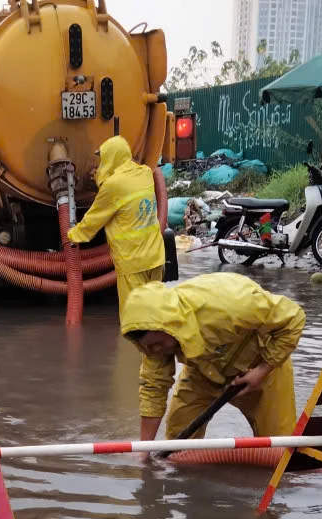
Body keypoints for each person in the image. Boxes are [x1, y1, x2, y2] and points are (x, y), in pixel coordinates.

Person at [119, 273, 305, 442]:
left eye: (157, 344)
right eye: (149, 347)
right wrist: (144, 451)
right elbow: (154, 389)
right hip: (202, 373)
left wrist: (262, 371)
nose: (155, 350)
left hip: (259, 369)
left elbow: (294, 319)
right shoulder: (153, 345)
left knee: (279, 451)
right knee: (178, 446)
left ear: (169, 325)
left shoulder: (233, 304)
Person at [66, 135, 165, 311]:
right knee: (154, 312)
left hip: (132, 263)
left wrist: (72, 235)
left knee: (134, 319)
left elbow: (93, 219)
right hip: (155, 258)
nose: (102, 162)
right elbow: (121, 190)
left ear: (112, 158)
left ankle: (130, 340)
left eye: (104, 158)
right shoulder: (144, 173)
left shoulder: (112, 187)